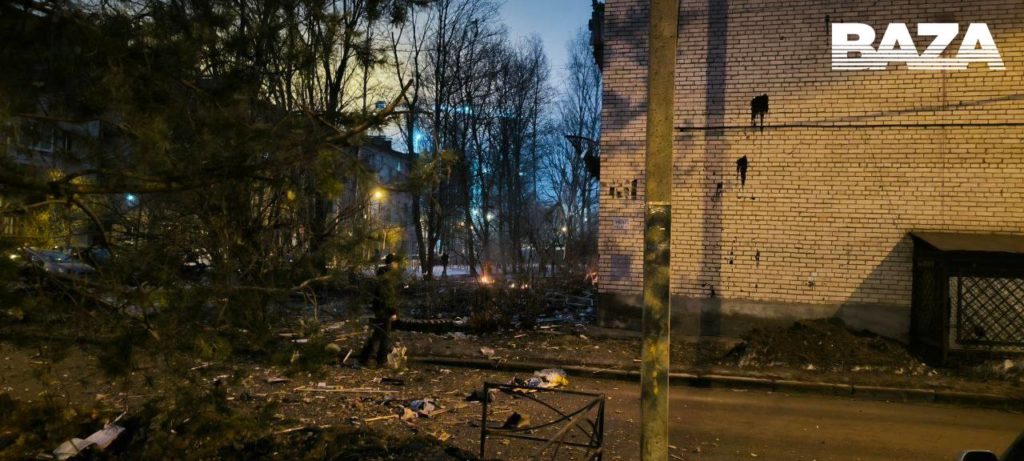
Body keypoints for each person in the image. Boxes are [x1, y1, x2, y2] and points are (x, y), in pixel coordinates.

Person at [359, 254, 399, 367]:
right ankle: (380, 360)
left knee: (378, 334)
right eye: (396, 263)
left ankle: (368, 358)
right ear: (392, 263)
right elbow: (389, 296)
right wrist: (393, 311)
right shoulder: (388, 277)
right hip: (385, 310)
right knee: (384, 335)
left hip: (379, 308)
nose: (397, 266)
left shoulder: (382, 275)